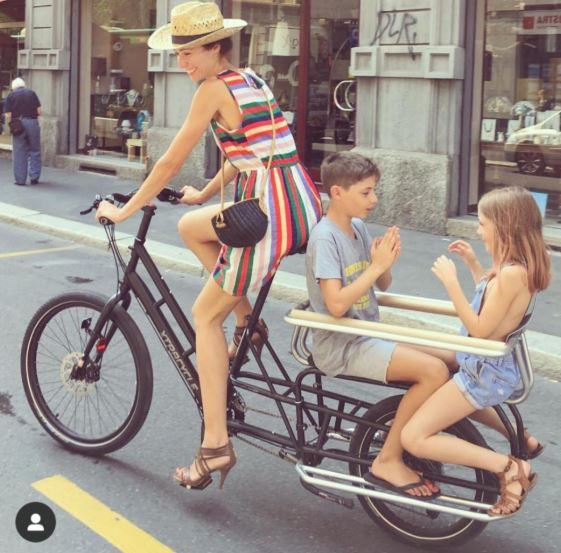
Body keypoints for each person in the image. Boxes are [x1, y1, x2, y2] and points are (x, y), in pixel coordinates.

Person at [95, 1, 322, 490]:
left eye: (191, 51)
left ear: (216, 47)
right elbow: (253, 152)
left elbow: (168, 162)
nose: (184, 61)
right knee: (192, 226)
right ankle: (248, 321)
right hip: (297, 198)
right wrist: (202, 193)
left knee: (203, 317)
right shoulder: (250, 80)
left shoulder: (211, 90)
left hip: (270, 212)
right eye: (179, 53)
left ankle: (215, 444)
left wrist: (125, 209)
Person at [305, 151, 449, 498]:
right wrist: (374, 267)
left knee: (453, 358)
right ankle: (388, 457)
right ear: (337, 193)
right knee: (433, 372)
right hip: (342, 345)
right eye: (366, 192)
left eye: (374, 191)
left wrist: (384, 260)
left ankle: (413, 434)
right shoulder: (325, 237)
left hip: (367, 334)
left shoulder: (356, 227)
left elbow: (381, 285)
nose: (375, 199)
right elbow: (337, 304)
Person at [401, 185, 551, 515]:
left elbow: (481, 329)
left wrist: (451, 283)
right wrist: (472, 265)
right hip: (488, 364)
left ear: (504, 227)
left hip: (482, 370)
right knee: (412, 349)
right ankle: (522, 437)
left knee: (413, 437)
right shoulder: (516, 268)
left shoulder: (512, 275)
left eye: (483, 223)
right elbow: (493, 307)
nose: (478, 229)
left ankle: (509, 468)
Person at [3, 77, 42, 186]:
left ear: (13, 87)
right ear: (23, 85)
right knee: (35, 150)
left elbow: (8, 115)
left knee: (19, 152)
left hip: (18, 124)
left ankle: (20, 180)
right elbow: (39, 111)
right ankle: (34, 177)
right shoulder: (32, 93)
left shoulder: (11, 95)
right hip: (32, 122)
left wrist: (11, 124)